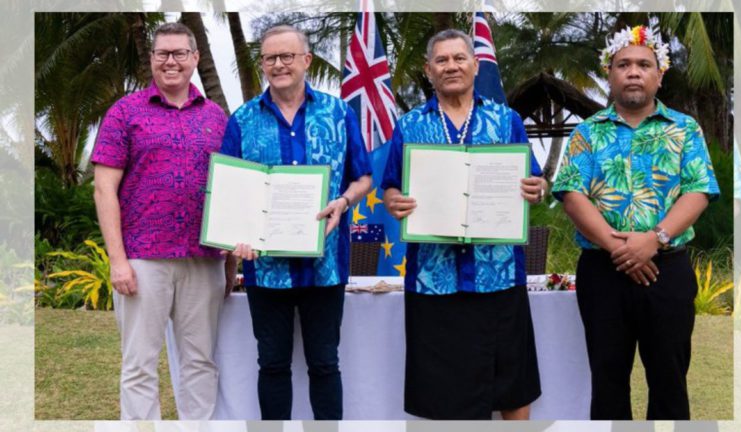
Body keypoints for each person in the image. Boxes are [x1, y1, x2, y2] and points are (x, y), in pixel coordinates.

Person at [551, 25, 721, 420]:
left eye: (644, 64)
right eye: (623, 64)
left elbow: (698, 190)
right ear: (608, 74)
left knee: (669, 380)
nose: (633, 71)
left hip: (669, 270)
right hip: (602, 272)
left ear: (659, 75)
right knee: (607, 381)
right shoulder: (587, 133)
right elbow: (571, 195)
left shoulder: (684, 128)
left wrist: (655, 239)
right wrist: (621, 247)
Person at [381, 29, 546, 420]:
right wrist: (394, 201)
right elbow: (390, 187)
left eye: (459, 58)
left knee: (513, 386)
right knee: (443, 396)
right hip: (434, 281)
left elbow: (535, 182)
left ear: (475, 64)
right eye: (442, 60)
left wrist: (536, 188)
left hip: (499, 276)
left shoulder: (506, 121)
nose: (451, 66)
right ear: (428, 70)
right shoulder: (409, 126)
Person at [219, 25, 372, 420]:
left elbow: (364, 177)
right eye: (270, 58)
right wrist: (237, 236)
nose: (279, 65)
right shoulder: (242, 120)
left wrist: (343, 201)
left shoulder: (338, 112)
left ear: (306, 60)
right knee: (271, 365)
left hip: (326, 266)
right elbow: (230, 191)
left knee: (324, 364)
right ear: (262, 65)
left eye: (287, 56)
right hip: (265, 269)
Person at [92, 22, 234, 420]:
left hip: (203, 260)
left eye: (179, 53)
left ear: (195, 58)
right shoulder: (125, 112)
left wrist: (230, 262)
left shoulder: (216, 117)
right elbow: (104, 190)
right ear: (152, 59)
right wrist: (118, 261)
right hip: (142, 260)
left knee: (200, 362)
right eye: (162, 54)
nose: (170, 61)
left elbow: (230, 189)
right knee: (139, 364)